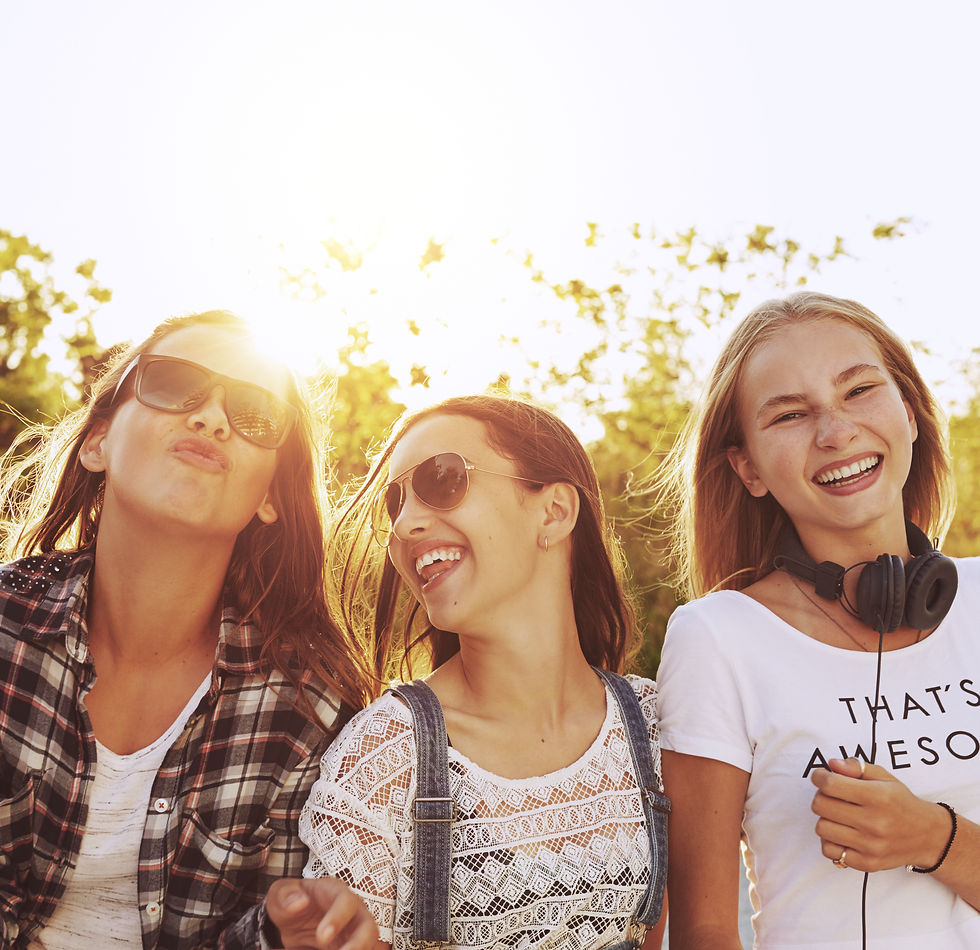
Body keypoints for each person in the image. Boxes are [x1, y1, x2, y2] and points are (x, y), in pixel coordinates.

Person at [0, 310, 379, 950]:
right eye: (175, 384)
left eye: (255, 413)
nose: (211, 418)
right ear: (98, 443)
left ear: (270, 498)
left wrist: (288, 931)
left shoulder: (308, 709)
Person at [654, 291, 980, 948]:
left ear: (910, 413)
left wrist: (933, 838)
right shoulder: (716, 639)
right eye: (791, 415)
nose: (836, 432)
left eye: (859, 390)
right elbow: (705, 930)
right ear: (747, 467)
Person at [283, 395, 669, 950]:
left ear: (554, 512)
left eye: (442, 480)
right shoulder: (383, 761)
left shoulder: (656, 727)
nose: (407, 523)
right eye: (395, 503)